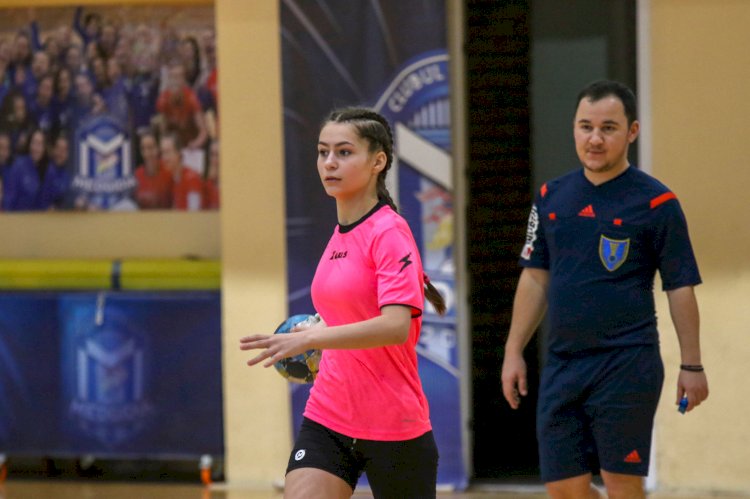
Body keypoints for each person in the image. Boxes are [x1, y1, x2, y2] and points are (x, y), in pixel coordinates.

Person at [500, 80, 709, 499]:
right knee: (562, 486)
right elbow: (535, 276)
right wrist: (513, 351)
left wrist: (693, 365)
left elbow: (680, 287)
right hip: (563, 363)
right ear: (574, 129)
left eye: (608, 128)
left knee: (622, 484)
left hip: (627, 363)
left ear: (632, 131)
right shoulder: (550, 197)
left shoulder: (657, 203)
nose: (595, 139)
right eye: (585, 126)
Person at [239, 107, 446, 498]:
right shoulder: (340, 234)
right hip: (329, 414)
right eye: (322, 152)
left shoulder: (389, 232)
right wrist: (314, 332)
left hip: (393, 423)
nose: (329, 163)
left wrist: (312, 339)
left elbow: (395, 325)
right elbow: (346, 312)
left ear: (377, 161)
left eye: (344, 152)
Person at [159, 133, 202, 210]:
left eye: (167, 152)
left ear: (178, 153)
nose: (164, 158)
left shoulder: (192, 178)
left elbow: (194, 215)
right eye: (162, 153)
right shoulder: (170, 178)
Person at [134, 131, 172, 209]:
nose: (147, 153)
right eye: (143, 148)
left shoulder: (169, 172)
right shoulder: (136, 175)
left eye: (150, 148)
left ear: (158, 148)